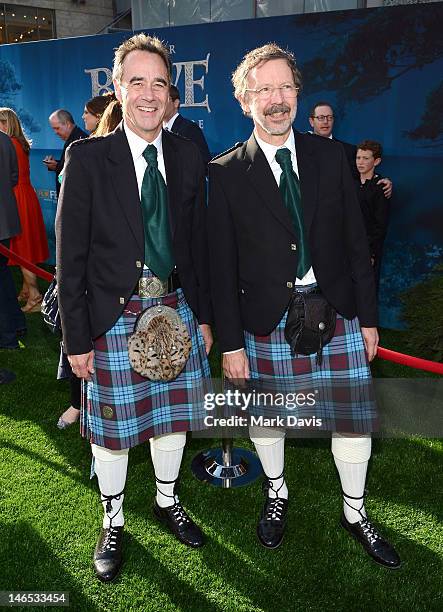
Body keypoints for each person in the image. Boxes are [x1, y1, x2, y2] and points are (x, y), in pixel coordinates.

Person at [207, 43, 400, 568]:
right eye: (264, 89)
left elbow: (357, 245)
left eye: (285, 87)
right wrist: (230, 345)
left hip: (337, 313)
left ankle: (356, 512)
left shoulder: (330, 157)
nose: (276, 99)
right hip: (265, 323)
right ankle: (276, 492)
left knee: (352, 421)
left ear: (298, 93)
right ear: (245, 100)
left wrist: (368, 318)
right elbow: (220, 270)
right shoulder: (224, 172)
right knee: (268, 420)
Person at [56, 33, 213, 583]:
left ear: (173, 94)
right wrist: (76, 339)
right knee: (113, 432)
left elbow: (196, 246)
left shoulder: (190, 156)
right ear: (118, 89)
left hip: (178, 307)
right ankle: (113, 520)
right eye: (137, 82)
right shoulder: (88, 158)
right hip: (113, 318)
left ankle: (167, 503)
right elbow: (69, 258)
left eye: (160, 83)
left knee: (173, 425)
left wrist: (208, 315)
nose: (149, 94)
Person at [56, 93, 122, 430]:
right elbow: (70, 253)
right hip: (93, 292)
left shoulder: (177, 154)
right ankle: (77, 406)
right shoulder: (83, 156)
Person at [0, 108, 49, 313]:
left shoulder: (8, 143)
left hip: (16, 198)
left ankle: (35, 296)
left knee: (23, 251)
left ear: (6, 124)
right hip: (25, 196)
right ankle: (26, 291)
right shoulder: (19, 143)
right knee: (25, 247)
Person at [308, 101, 393, 198]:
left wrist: (380, 182)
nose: (326, 122)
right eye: (321, 118)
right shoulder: (299, 148)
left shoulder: (349, 150)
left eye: (329, 117)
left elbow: (361, 176)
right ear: (311, 121)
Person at [0, 129, 26, 349]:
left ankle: (7, 336)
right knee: (4, 276)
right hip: (5, 219)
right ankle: (16, 325)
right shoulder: (4, 139)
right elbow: (13, 177)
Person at [356, 140, 390, 292]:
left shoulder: (380, 187)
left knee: (366, 291)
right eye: (358, 158)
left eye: (366, 158)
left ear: (376, 161)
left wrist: (370, 252)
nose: (360, 162)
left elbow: (380, 226)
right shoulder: (351, 184)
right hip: (348, 249)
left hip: (368, 251)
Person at [163, 85, 211, 166]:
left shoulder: (189, 129)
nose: (160, 104)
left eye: (165, 100)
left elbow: (203, 161)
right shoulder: (156, 132)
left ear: (176, 103)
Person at [44, 110, 87, 195]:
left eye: (57, 128)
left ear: (67, 124)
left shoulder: (79, 141)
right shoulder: (74, 138)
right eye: (53, 129)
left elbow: (77, 173)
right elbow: (70, 165)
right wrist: (56, 165)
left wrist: (57, 166)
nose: (55, 132)